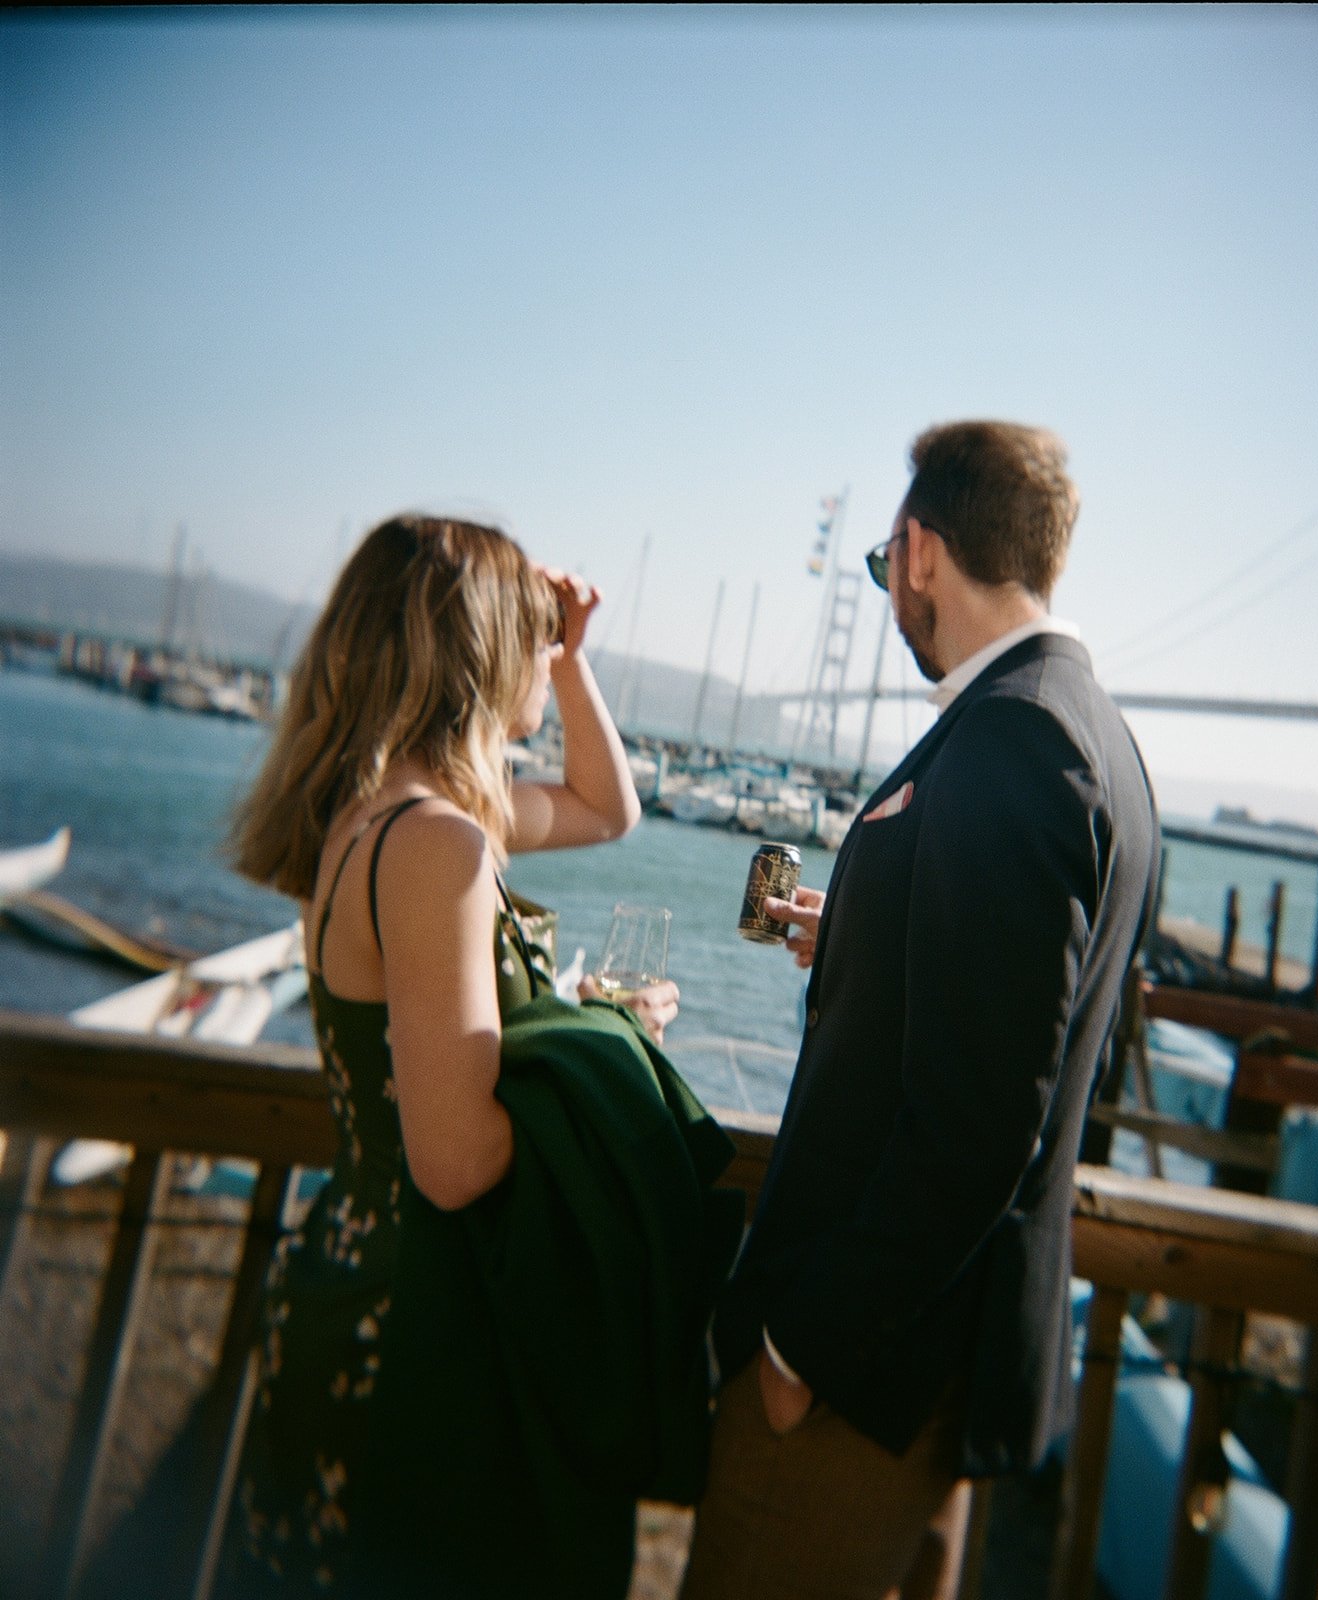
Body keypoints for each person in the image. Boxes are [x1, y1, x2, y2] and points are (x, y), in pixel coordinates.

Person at [680, 422, 1159, 1599]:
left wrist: (802, 1349)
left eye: (884, 565)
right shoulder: (1102, 739)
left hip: (863, 1381)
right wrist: (857, 935)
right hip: (942, 1369)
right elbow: (1044, 1032)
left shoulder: (1016, 739)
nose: (889, 590)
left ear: (919, 551)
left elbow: (985, 1116)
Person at [223, 514, 678, 1594]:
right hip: (420, 1333)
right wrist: (612, 1038)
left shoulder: (381, 816)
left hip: (348, 1276)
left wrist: (571, 660)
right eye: (529, 633)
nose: (543, 650)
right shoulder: (440, 843)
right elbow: (457, 1158)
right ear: (478, 647)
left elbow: (608, 809)